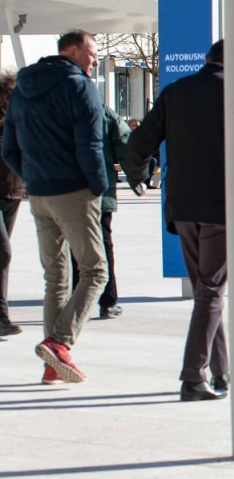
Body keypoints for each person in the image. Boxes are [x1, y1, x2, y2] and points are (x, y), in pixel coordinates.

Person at [126, 40, 234, 401]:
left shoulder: (176, 92)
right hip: (222, 208)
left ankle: (222, 373)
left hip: (183, 208)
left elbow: (140, 141)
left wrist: (138, 174)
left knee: (208, 293)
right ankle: (193, 378)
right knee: (211, 292)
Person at [2, 30, 109, 385]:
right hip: (74, 191)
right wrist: (98, 187)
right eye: (92, 52)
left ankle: (52, 367)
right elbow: (90, 145)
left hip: (39, 194)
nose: (95, 59)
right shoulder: (79, 87)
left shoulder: (22, 89)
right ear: (73, 51)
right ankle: (59, 342)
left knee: (56, 278)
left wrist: (33, 178)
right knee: (95, 271)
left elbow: (9, 149)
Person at [70, 105, 130, 319]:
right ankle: (108, 300)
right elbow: (126, 144)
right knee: (103, 244)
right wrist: (136, 176)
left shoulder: (55, 106)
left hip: (66, 189)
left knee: (73, 246)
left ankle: (77, 303)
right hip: (99, 189)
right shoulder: (102, 110)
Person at [0, 72, 23, 337]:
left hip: (13, 192)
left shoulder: (19, 120)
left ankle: (1, 316)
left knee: (2, 259)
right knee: (3, 253)